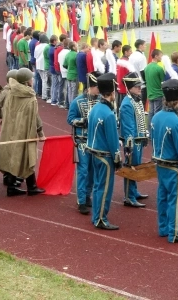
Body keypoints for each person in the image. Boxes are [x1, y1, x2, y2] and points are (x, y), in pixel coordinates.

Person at [151, 79, 178, 244]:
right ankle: (174, 233)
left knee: (162, 197)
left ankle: (163, 228)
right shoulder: (177, 123)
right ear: (177, 101)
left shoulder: (156, 117)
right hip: (174, 168)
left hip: (160, 164)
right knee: (175, 200)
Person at [0, 68, 46, 196]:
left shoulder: (10, 93)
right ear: (27, 81)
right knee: (27, 156)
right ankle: (32, 187)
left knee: (14, 155)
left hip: (11, 129)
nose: (33, 80)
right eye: (32, 78)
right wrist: (40, 133)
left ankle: (11, 186)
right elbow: (35, 117)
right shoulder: (29, 97)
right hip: (24, 130)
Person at [86, 73, 122, 230]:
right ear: (112, 92)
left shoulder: (95, 108)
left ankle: (96, 216)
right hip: (105, 156)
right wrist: (117, 158)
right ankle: (101, 218)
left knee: (98, 187)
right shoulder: (108, 114)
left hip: (94, 152)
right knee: (105, 189)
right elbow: (113, 141)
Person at [67, 71, 102, 215]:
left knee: (93, 172)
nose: (99, 90)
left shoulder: (100, 101)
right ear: (91, 87)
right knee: (83, 171)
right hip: (82, 141)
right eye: (97, 87)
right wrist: (82, 121)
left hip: (96, 142)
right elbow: (70, 119)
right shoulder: (77, 101)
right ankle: (81, 200)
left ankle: (87, 196)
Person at [119, 72, 148, 208]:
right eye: (137, 87)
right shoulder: (127, 104)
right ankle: (129, 197)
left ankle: (134, 191)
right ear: (130, 88)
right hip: (133, 142)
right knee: (131, 167)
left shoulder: (136, 100)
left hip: (139, 139)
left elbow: (141, 120)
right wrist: (129, 145)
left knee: (136, 167)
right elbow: (128, 127)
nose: (139, 89)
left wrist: (144, 135)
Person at [144, 49, 166, 131]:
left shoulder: (147, 67)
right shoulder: (159, 68)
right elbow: (163, 82)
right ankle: (156, 130)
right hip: (158, 94)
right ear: (156, 56)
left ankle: (150, 130)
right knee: (157, 114)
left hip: (150, 94)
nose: (161, 57)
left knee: (151, 113)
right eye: (161, 55)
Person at [116, 45, 135, 116]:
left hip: (120, 86)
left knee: (120, 105)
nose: (131, 52)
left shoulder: (119, 61)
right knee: (125, 106)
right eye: (130, 51)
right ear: (126, 52)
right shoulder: (127, 62)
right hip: (125, 88)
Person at [129, 39, 147, 109]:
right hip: (141, 84)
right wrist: (146, 82)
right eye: (144, 45)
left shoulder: (131, 56)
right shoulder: (142, 57)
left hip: (133, 82)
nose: (145, 47)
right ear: (140, 46)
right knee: (142, 103)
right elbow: (143, 71)